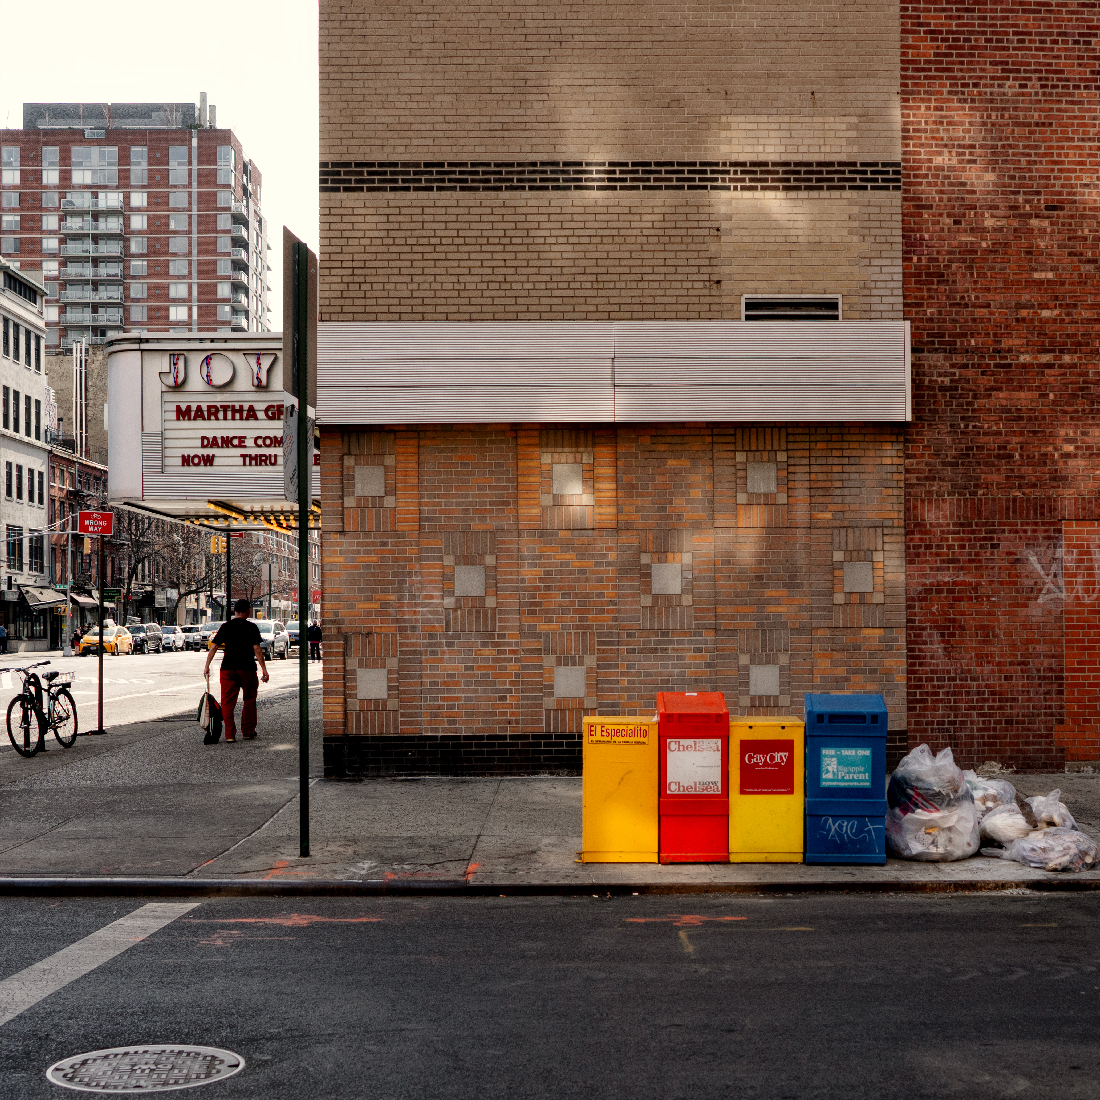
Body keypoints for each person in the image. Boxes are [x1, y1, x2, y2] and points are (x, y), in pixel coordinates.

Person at [203, 598, 269, 742]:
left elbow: (214, 647)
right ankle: (247, 731)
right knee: (250, 699)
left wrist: (207, 665)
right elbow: (257, 648)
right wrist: (264, 670)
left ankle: (229, 735)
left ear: (234, 611)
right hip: (247, 668)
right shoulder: (251, 627)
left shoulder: (226, 626)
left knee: (227, 702)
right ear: (248, 611)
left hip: (228, 667)